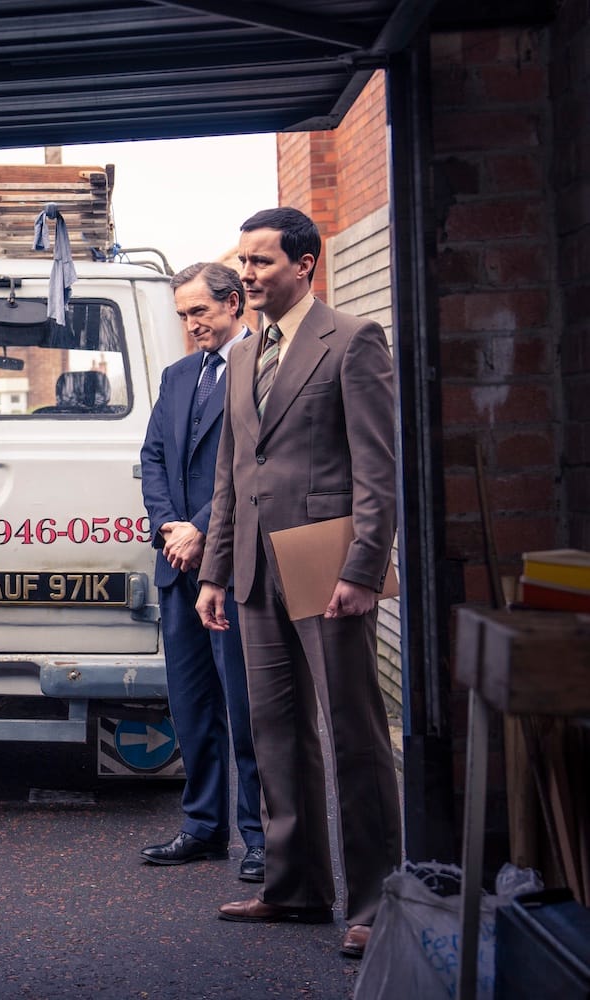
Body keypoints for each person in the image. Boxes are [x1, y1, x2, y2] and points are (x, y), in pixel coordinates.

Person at [195, 208, 401, 960]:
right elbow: (230, 476)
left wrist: (363, 567)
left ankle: (380, 902)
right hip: (252, 566)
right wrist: (216, 571)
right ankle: (296, 886)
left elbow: (379, 471)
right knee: (275, 732)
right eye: (242, 263)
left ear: (304, 265)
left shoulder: (353, 340)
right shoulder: (245, 355)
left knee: (352, 734)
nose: (245, 276)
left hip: (325, 558)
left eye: (261, 263)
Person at [138, 262, 264, 881]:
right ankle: (204, 827)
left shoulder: (262, 364)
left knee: (245, 707)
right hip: (177, 562)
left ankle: (261, 838)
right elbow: (154, 455)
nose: (191, 326)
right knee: (191, 705)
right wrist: (169, 527)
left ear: (234, 303)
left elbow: (255, 465)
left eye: (200, 313)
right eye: (183, 316)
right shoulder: (178, 374)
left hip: (235, 562)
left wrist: (201, 528)